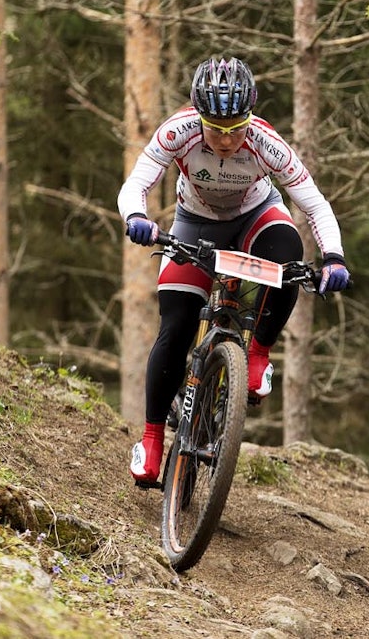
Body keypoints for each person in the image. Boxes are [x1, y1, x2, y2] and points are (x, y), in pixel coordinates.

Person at [117, 56, 351, 484]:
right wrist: (136, 216)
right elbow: (138, 182)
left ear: (250, 118)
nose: (227, 141)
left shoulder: (266, 142)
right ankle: (151, 440)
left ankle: (258, 352)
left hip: (254, 218)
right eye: (216, 129)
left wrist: (333, 256)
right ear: (199, 117)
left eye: (236, 129)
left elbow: (314, 203)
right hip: (194, 222)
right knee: (177, 325)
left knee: (289, 256)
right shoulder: (178, 130)